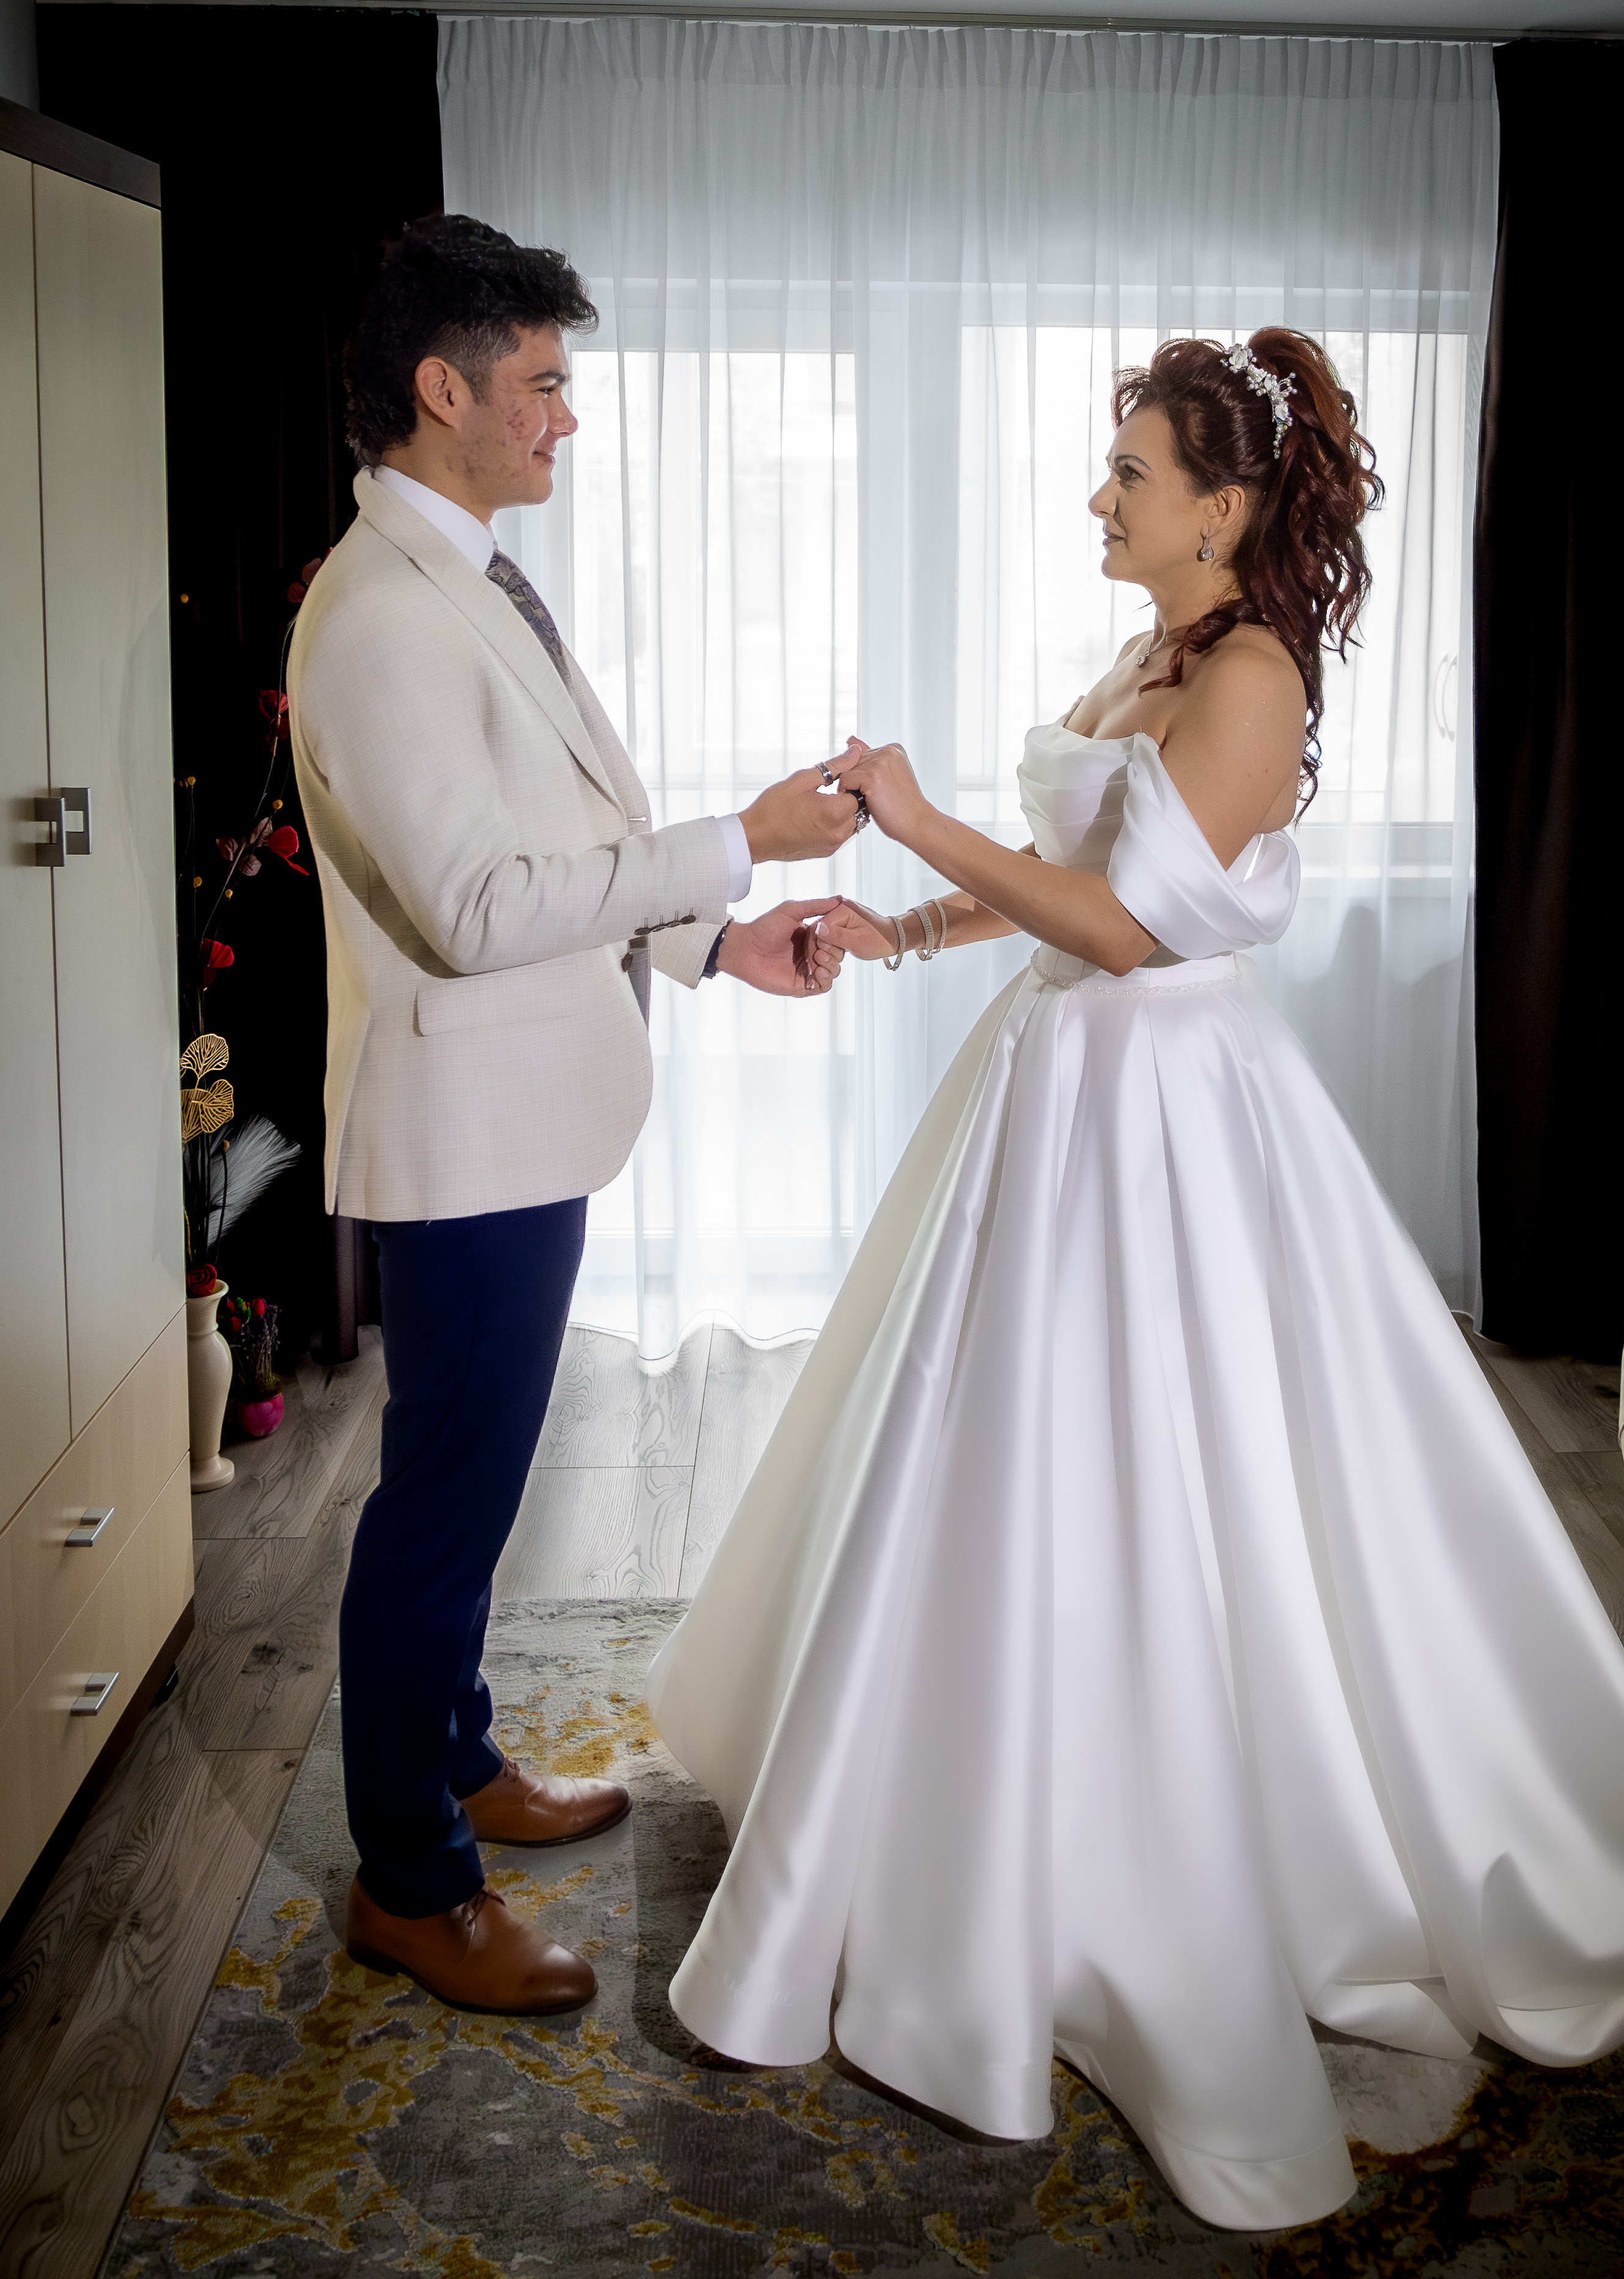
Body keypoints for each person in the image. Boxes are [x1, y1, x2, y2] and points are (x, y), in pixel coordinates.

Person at [644, 331, 1624, 2228]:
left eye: (1132, 471)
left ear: (1225, 505)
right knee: (987, 1460)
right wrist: (902, 923)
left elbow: (1131, 926)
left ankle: (1185, 1832)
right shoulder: (1146, 654)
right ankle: (956, 1790)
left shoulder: (1255, 676)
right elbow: (1062, 871)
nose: (1100, 497)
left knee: (1189, 1478)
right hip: (1053, 1086)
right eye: (1110, 466)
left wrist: (916, 818)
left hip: (1168, 1110)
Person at [288, 216, 865, 2017]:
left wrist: (713, 940)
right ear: (443, 389)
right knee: (442, 1507)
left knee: (471, 1482)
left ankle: (457, 1758)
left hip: (524, 1124)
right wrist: (739, 842)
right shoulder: (381, 616)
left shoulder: (465, 578)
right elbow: (476, 909)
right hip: (468, 1140)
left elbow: (561, 836)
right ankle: (412, 1881)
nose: (566, 416)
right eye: (541, 382)